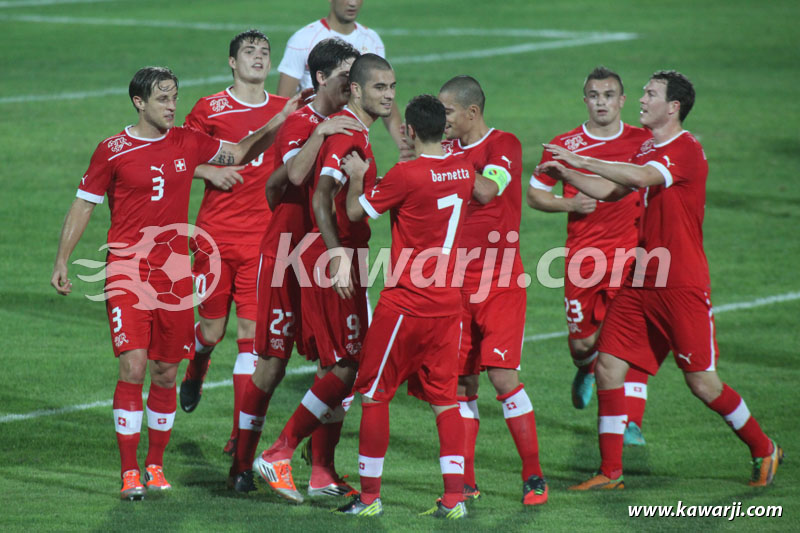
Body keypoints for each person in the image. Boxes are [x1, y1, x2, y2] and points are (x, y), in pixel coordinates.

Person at [50, 66, 305, 500]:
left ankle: (155, 464)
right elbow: (84, 204)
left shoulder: (189, 142)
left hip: (173, 276)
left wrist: (277, 122)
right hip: (127, 270)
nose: (172, 106)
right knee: (132, 365)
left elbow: (239, 152)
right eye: (163, 99)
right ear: (140, 102)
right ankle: (130, 471)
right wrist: (62, 259)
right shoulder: (111, 150)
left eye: (174, 97)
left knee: (166, 373)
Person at [537, 70, 783, 490]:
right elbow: (614, 190)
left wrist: (581, 159)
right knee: (609, 367)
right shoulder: (650, 147)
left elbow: (640, 178)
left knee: (703, 383)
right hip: (641, 278)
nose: (643, 99)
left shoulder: (683, 150)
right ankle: (611, 472)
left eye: (650, 94)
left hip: (680, 282)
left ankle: (763, 447)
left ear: (673, 107)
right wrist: (567, 172)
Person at [252, 53, 396, 504]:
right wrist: (335, 256)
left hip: (343, 253)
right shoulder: (347, 134)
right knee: (347, 365)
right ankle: (278, 452)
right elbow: (318, 199)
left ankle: (319, 473)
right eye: (379, 88)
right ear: (355, 89)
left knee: (341, 364)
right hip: (332, 256)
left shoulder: (358, 131)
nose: (388, 95)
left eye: (392, 87)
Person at [229, 38, 362, 494]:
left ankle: (322, 471)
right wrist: (321, 134)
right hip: (285, 253)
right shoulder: (301, 121)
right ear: (322, 78)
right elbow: (297, 176)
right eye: (347, 73)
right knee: (272, 361)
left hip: (321, 255)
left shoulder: (351, 119)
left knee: (337, 361)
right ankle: (245, 464)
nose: (354, 81)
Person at [437, 75, 547, 505]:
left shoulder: (505, 145)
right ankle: (465, 479)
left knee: (503, 377)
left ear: (471, 112)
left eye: (447, 111)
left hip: (499, 281)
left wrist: (447, 162)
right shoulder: (445, 152)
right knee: (462, 383)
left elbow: (485, 190)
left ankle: (533, 474)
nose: (442, 120)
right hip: (451, 282)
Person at [528, 67, 653, 445]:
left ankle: (629, 422)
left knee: (629, 337)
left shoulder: (644, 141)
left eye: (609, 94)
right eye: (594, 95)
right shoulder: (563, 146)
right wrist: (567, 205)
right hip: (583, 260)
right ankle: (584, 369)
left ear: (622, 100)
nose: (602, 102)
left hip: (633, 255)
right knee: (584, 343)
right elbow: (534, 194)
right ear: (585, 100)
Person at [178, 29, 287, 457]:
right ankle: (199, 362)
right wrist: (208, 173)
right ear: (231, 62)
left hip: (263, 241)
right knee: (211, 329)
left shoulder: (283, 110)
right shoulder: (210, 108)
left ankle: (241, 437)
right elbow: (177, 155)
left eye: (264, 52)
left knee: (250, 338)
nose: (258, 58)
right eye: (249, 52)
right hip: (214, 238)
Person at [276, 0, 408, 157]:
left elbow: (382, 93)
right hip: (310, 137)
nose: (352, 3)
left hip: (352, 138)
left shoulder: (372, 40)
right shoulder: (303, 39)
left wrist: (403, 145)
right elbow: (283, 102)